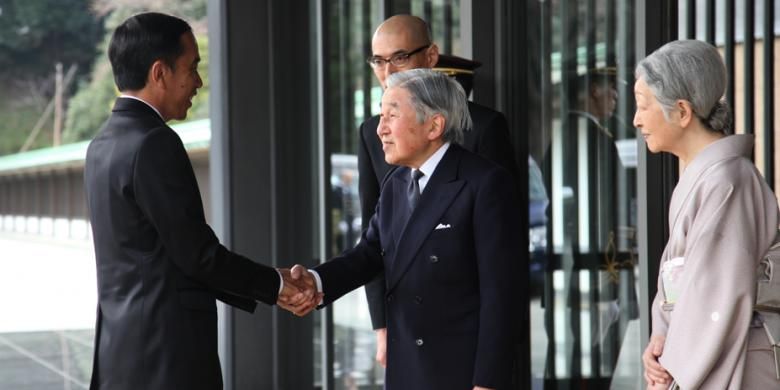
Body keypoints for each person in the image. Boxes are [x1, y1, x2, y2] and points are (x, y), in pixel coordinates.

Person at [84, 12, 310, 390]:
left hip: (121, 352)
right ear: (160, 72)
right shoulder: (154, 143)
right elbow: (197, 255)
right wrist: (275, 284)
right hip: (166, 358)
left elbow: (169, 258)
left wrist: (274, 282)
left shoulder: (101, 145)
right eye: (191, 68)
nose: (198, 82)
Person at [282, 68, 521, 389]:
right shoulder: (396, 183)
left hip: (461, 370)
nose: (380, 129)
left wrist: (488, 381)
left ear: (434, 125)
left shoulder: (484, 182)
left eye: (391, 115)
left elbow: (501, 293)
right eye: (381, 116)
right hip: (407, 364)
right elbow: (368, 254)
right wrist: (315, 280)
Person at [358, 14, 519, 368]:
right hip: (404, 321)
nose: (388, 71)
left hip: (461, 324)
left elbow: (501, 257)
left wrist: (491, 365)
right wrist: (380, 325)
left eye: (399, 57)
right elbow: (373, 238)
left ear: (431, 56)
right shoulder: (372, 131)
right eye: (378, 61)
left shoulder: (484, 128)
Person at [635, 40, 779, 389]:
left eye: (643, 106)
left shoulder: (728, 181)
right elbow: (681, 284)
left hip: (736, 358)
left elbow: (715, 295)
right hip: (699, 352)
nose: (637, 120)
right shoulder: (710, 177)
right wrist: (661, 339)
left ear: (682, 112)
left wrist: (674, 368)